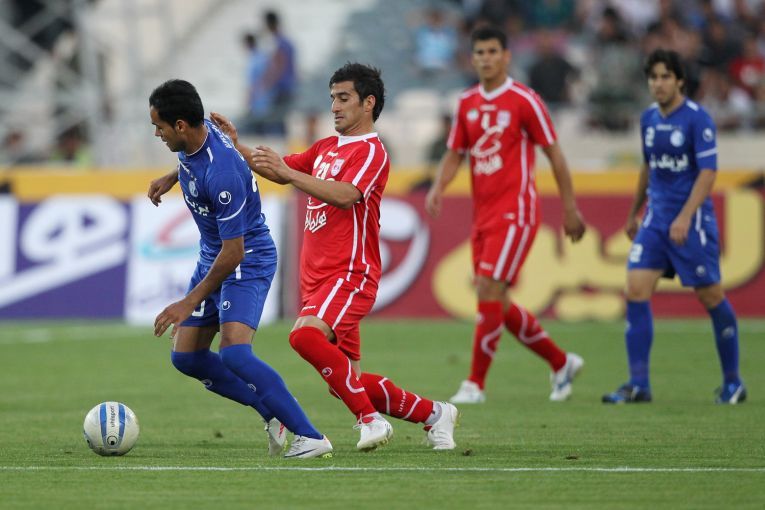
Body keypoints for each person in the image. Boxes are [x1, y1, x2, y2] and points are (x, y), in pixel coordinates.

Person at [211, 63, 459, 452]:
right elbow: (278, 170)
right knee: (345, 383)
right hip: (318, 279)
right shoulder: (326, 147)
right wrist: (235, 146)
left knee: (303, 336)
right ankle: (434, 414)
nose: (335, 106)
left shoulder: (372, 151)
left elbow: (346, 195)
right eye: (332, 98)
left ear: (368, 102)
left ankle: (370, 420)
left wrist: (292, 176)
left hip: (350, 273)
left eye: (343, 98)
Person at [146, 79, 333, 459]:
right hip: (212, 256)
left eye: (159, 126)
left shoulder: (224, 174)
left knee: (235, 354)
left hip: (246, 259)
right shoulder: (202, 130)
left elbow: (235, 251)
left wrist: (187, 302)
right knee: (187, 357)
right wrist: (172, 176)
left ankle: (310, 436)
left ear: (180, 125)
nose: (156, 133)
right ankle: (272, 412)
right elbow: (194, 156)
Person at [425, 26, 587, 404]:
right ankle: (561, 362)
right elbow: (455, 154)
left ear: (506, 56)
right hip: (483, 215)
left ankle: (474, 385)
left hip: (517, 211)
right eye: (479, 52)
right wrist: (437, 187)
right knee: (496, 301)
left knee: (488, 289)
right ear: (473, 58)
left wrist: (570, 207)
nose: (486, 58)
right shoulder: (466, 102)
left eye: (492, 51)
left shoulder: (525, 100)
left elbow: (555, 155)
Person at [602, 49, 746, 405]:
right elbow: (647, 167)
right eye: (653, 77)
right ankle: (639, 384)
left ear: (680, 80)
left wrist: (684, 216)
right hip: (655, 220)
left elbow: (708, 172)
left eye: (666, 76)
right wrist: (633, 212)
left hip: (691, 222)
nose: (659, 83)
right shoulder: (648, 119)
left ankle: (733, 382)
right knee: (635, 288)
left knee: (710, 296)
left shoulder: (697, 119)